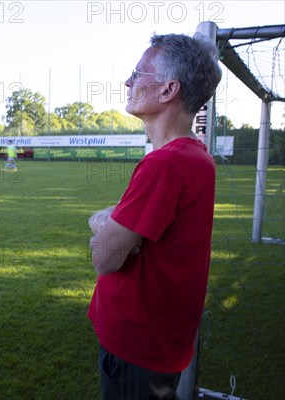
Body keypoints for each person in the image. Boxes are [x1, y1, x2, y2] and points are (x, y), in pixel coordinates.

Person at [88, 33, 221, 399]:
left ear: (168, 90)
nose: (128, 83)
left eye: (137, 74)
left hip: (137, 347)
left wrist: (102, 221)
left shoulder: (166, 164)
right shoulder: (195, 155)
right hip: (162, 344)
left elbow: (104, 257)